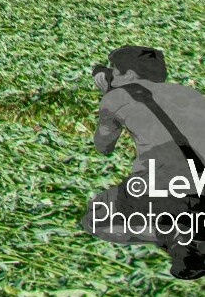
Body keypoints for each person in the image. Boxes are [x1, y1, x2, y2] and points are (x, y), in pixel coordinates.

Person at [85, 45, 205, 279]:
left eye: (115, 71)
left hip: (168, 187)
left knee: (96, 216)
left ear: (128, 74)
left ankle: (176, 234)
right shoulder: (190, 93)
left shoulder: (115, 97)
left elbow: (104, 147)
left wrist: (108, 95)